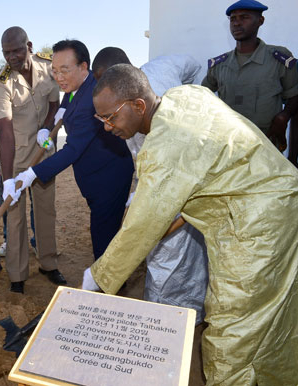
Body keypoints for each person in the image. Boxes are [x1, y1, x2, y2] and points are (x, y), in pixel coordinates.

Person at [87, 64, 298, 385]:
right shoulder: (186, 94)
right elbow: (182, 198)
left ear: (139, 106)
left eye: (111, 117)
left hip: (260, 224)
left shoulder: (164, 147)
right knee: (281, 304)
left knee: (233, 326)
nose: (108, 127)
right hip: (289, 195)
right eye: (101, 120)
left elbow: (143, 227)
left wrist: (99, 276)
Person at [92, 47, 208, 325]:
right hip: (169, 176)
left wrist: (200, 94)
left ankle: (171, 321)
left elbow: (166, 193)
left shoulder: (158, 117)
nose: (108, 126)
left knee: (168, 250)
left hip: (183, 179)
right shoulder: (128, 108)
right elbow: (141, 161)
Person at [4, 40, 134, 263]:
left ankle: (107, 289)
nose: (59, 77)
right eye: (54, 71)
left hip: (108, 179)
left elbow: (72, 150)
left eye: (65, 70)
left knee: (104, 243)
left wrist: (31, 174)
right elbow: (70, 96)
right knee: (105, 234)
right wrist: (57, 117)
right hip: (96, 175)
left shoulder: (95, 97)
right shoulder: (81, 84)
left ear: (84, 67)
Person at [0, 27, 62, 293]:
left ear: (29, 46)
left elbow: (55, 104)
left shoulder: (48, 68)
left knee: (46, 210)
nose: (11, 57)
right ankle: (17, 275)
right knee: (16, 216)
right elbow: (6, 131)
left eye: (16, 50)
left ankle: (48, 263)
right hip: (18, 155)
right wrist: (8, 178)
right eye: (6, 52)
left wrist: (46, 127)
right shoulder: (2, 81)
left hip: (43, 152)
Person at [201, 0, 298, 151]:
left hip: (265, 144)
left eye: (244, 17)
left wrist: (283, 117)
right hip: (227, 145)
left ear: (260, 21)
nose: (236, 23)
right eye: (233, 19)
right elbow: (201, 96)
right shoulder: (220, 65)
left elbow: (295, 95)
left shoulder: (278, 59)